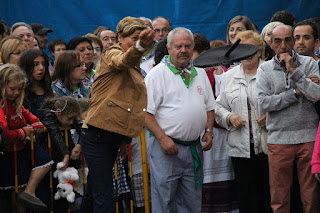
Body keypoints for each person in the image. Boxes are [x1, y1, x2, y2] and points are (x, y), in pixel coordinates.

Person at [79, 16, 154, 213]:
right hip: (96, 135)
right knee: (104, 196)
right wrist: (138, 47)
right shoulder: (113, 52)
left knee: (93, 193)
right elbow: (123, 61)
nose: (139, 42)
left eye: (142, 38)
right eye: (134, 38)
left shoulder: (136, 63)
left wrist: (123, 139)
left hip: (111, 136)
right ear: (119, 36)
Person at [145, 27, 215, 212]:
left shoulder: (199, 73)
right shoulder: (156, 74)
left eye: (187, 46)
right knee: (165, 202)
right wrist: (162, 139)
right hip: (165, 149)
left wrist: (208, 131)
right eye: (178, 46)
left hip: (194, 148)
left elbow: (210, 107)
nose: (183, 50)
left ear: (192, 48)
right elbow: (145, 113)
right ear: (168, 48)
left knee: (192, 204)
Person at [256, 24, 320, 213]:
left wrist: (294, 71)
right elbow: (263, 103)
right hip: (279, 138)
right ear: (271, 43)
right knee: (279, 196)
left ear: (293, 40)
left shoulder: (309, 63)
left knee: (311, 196)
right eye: (278, 41)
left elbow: (316, 95)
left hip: (308, 137)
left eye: (287, 40)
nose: (283, 45)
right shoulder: (264, 69)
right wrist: (295, 92)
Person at [215, 30, 271, 213]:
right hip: (240, 148)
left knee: (270, 195)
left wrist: (270, 118)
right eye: (242, 49)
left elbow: (284, 102)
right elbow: (218, 107)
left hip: (269, 146)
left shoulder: (270, 71)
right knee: (247, 197)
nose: (247, 54)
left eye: (251, 49)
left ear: (260, 51)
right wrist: (229, 117)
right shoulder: (228, 76)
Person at [0, 64, 53, 211]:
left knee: (22, 187)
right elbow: (4, 134)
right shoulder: (2, 106)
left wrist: (34, 127)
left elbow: (35, 121)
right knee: (14, 191)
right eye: (12, 89)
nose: (16, 93)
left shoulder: (18, 105)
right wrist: (24, 131)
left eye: (19, 89)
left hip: (20, 150)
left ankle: (30, 191)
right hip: (7, 153)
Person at [196, 36, 238, 213]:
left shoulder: (223, 72)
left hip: (221, 134)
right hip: (203, 133)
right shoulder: (197, 74)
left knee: (223, 177)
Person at [36, 96, 82, 213]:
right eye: (70, 119)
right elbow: (55, 133)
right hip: (48, 157)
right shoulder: (47, 115)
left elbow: (82, 126)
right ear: (59, 112)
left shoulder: (66, 115)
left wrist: (79, 145)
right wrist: (66, 154)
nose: (72, 122)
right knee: (48, 192)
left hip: (62, 161)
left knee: (63, 193)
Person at [19, 48, 54, 116]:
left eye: (43, 64)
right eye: (36, 64)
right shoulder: (20, 90)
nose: (41, 68)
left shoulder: (48, 88)